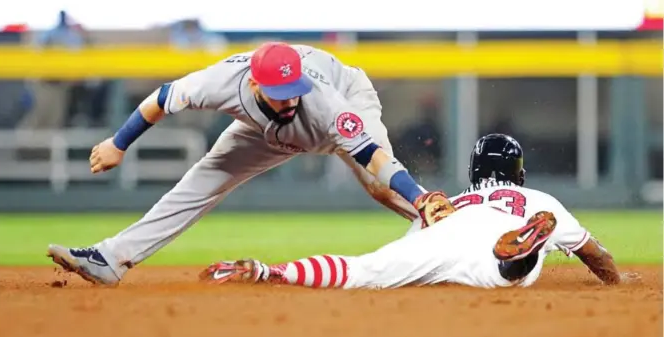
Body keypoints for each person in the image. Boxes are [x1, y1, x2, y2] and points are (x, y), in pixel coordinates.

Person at [47, 42, 449, 286]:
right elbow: (161, 98)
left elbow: (373, 156)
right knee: (204, 177)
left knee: (379, 183)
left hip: (348, 99)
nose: (290, 99)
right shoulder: (219, 82)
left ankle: (451, 228)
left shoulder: (322, 101)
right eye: (280, 92)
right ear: (255, 85)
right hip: (260, 130)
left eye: (294, 91)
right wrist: (118, 144)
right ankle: (110, 259)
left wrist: (420, 195)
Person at [200, 134, 622, 289]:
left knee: (365, 271)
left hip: (442, 230)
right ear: (520, 174)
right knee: (503, 276)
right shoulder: (541, 201)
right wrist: (618, 281)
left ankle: (271, 272)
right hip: (501, 236)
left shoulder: (452, 201)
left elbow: (415, 233)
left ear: (473, 171)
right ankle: (515, 259)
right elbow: (595, 255)